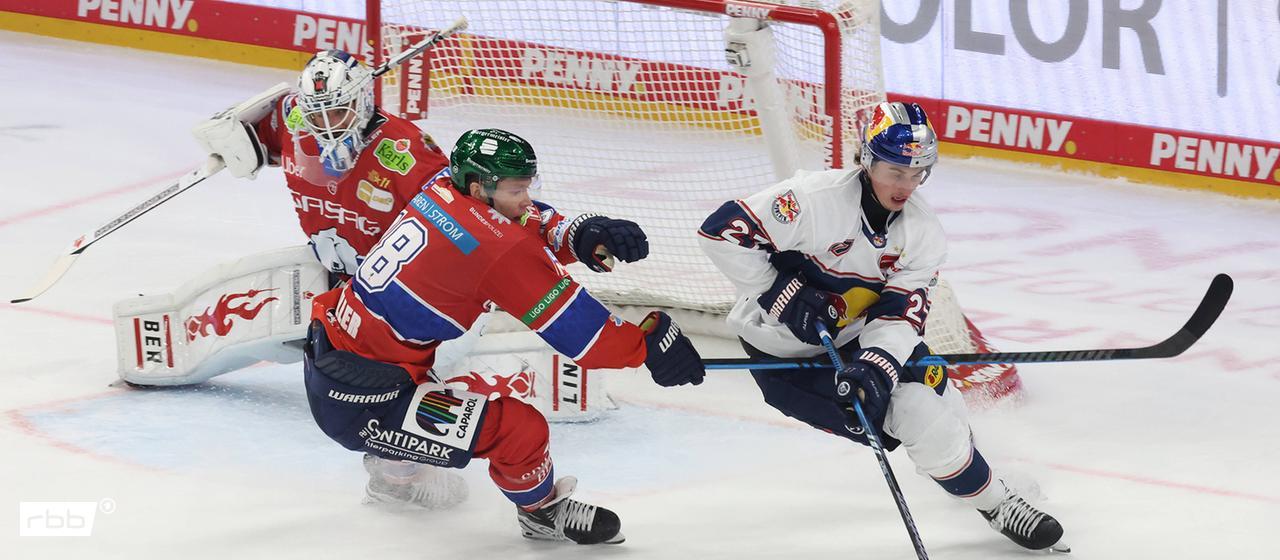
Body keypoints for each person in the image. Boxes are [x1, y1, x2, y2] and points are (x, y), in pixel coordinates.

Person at [696, 102, 1068, 552]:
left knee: (937, 392)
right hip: (783, 355)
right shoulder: (814, 201)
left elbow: (900, 316)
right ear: (867, 159)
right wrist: (780, 293)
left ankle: (963, 466)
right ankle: (996, 502)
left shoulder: (922, 234)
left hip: (856, 339)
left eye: (918, 173)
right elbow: (720, 232)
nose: (906, 186)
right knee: (915, 412)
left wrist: (875, 366)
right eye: (895, 170)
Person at [304, 128, 705, 545]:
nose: (526, 199)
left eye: (527, 187)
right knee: (519, 430)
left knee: (454, 376)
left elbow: (515, 222)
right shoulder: (496, 249)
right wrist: (651, 343)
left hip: (339, 354)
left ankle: (394, 477)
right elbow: (587, 339)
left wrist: (576, 234)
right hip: (365, 398)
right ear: (480, 187)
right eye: (517, 189)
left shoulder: (441, 188)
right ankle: (542, 512)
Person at [125, 50, 487, 511]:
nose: (326, 124)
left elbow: (460, 222)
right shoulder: (293, 117)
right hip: (332, 277)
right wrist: (236, 144)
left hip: (401, 286)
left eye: (337, 110)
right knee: (345, 369)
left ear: (363, 102)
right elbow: (244, 130)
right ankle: (397, 467)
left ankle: (397, 472)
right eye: (316, 112)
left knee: (401, 369)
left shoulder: (405, 150)